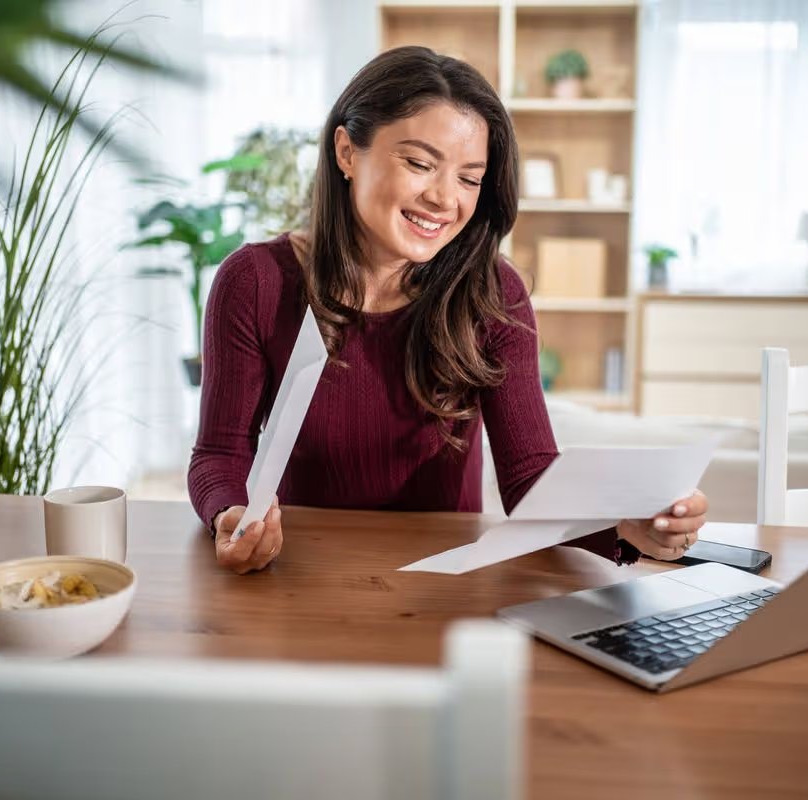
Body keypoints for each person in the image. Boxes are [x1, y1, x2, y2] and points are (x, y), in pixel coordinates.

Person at [188, 46, 708, 575]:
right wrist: (230, 514)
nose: (443, 198)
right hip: (300, 570)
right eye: (419, 163)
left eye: (469, 178)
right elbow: (220, 453)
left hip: (445, 578)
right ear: (346, 151)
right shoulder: (256, 282)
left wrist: (625, 526)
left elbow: (530, 479)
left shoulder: (492, 293)